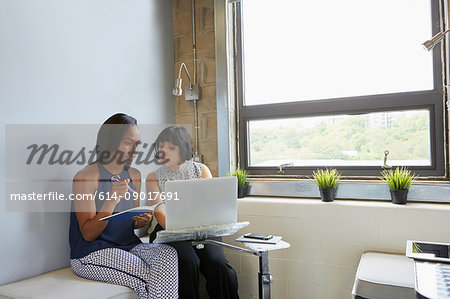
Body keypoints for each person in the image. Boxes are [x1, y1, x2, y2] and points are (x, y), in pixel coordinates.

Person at [69, 113, 178, 299]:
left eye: (137, 144)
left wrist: (141, 221)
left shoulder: (134, 175)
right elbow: (88, 234)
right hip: (91, 253)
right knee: (148, 276)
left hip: (127, 246)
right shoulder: (86, 177)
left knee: (168, 254)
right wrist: (111, 199)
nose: (135, 150)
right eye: (129, 143)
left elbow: (130, 223)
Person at [146, 125, 239, 299]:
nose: (164, 152)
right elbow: (160, 213)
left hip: (203, 228)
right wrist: (183, 230)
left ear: (183, 149)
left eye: (171, 148)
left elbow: (211, 206)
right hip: (168, 231)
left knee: (218, 264)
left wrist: (200, 227)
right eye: (161, 147)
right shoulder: (153, 177)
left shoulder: (201, 170)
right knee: (188, 262)